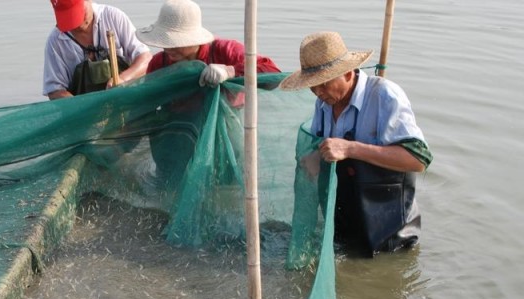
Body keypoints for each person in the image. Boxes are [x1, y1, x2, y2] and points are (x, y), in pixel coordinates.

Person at [279, 31, 433, 255]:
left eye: (323, 83)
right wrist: (316, 157)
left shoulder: (384, 96)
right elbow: (326, 149)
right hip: (344, 226)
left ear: (348, 74)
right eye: (312, 86)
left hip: (390, 234)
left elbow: (419, 160)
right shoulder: (324, 103)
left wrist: (351, 148)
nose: (318, 92)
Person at [135, 0, 280, 85]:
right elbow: (147, 102)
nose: (169, 49)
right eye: (165, 42)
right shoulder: (159, 63)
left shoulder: (225, 50)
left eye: (175, 43)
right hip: (175, 126)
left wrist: (231, 71)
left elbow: (272, 73)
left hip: (224, 122)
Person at [44, 0, 152, 99]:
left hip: (126, 98)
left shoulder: (113, 17)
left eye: (78, 14)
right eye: (69, 18)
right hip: (84, 111)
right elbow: (54, 90)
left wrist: (123, 79)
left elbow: (145, 58)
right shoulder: (56, 41)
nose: (77, 24)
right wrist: (81, 107)